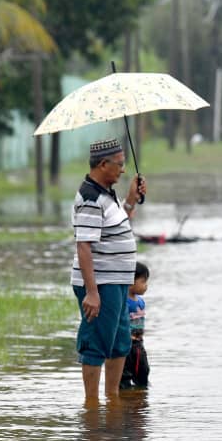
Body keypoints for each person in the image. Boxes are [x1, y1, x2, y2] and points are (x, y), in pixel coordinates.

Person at [71, 138, 146, 404]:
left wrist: (130, 201)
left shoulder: (106, 194)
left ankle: (111, 400)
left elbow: (118, 226)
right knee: (97, 342)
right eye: (119, 165)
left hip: (116, 283)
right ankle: (92, 406)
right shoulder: (90, 198)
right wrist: (92, 292)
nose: (123, 170)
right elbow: (84, 247)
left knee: (119, 343)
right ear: (103, 165)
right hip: (101, 284)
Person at [120, 262, 150, 389]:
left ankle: (140, 396)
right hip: (126, 344)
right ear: (131, 281)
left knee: (143, 370)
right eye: (143, 281)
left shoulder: (141, 301)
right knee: (124, 374)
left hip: (139, 344)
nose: (146, 286)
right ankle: (123, 398)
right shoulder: (123, 301)